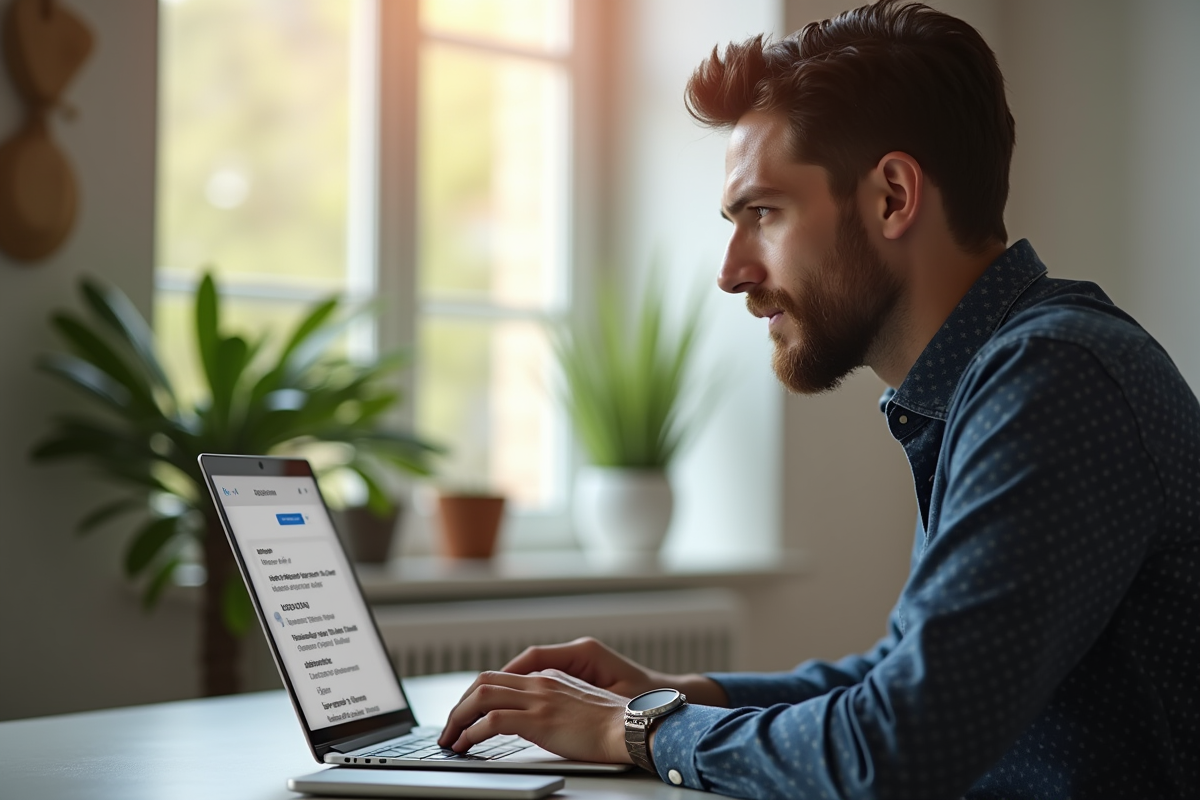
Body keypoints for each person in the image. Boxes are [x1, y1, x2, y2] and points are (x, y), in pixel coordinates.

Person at [438, 2, 1200, 797]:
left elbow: (897, 745)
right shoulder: (1001, 375)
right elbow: (906, 680)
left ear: (893, 197)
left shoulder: (1053, 379)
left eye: (762, 212)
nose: (731, 271)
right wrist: (674, 695)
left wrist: (630, 730)